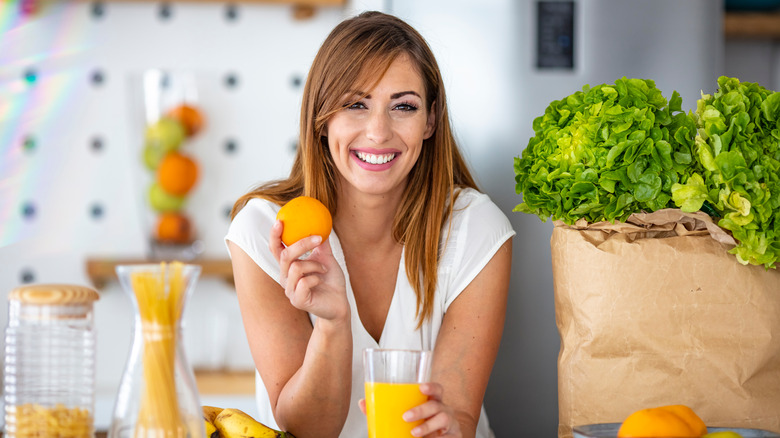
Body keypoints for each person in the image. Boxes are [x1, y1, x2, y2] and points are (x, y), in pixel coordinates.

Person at [225, 10, 514, 438]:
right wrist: (332, 323)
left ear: (430, 121)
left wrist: (449, 426)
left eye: (404, 107)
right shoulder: (266, 229)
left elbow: (459, 419)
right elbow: (306, 429)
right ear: (322, 118)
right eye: (355, 105)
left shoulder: (475, 228)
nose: (378, 132)